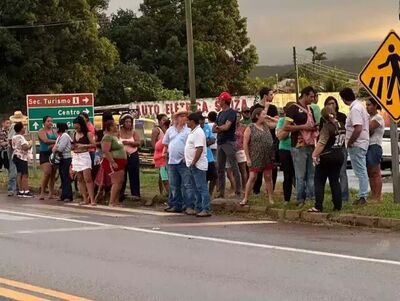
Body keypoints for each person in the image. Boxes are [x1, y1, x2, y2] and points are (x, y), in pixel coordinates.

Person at [283, 86, 319, 207]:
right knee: (300, 175)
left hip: (310, 145)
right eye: (311, 96)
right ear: (304, 95)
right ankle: (300, 199)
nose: (313, 99)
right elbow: (286, 127)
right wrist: (303, 127)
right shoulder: (293, 109)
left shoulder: (310, 109)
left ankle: (311, 197)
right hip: (298, 146)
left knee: (311, 174)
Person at [308, 106, 346, 213]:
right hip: (339, 154)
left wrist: (314, 155)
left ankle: (318, 206)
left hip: (327, 155)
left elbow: (321, 143)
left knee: (319, 181)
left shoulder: (327, 127)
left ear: (323, 117)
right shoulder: (341, 125)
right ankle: (338, 206)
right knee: (335, 181)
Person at [340, 87, 370, 205]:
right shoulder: (359, 106)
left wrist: (350, 142)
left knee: (360, 171)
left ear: (343, 99)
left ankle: (362, 195)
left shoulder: (355, 109)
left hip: (357, 144)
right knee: (360, 170)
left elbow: (358, 127)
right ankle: (362, 194)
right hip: (361, 142)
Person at [163, 109, 195, 213]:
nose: (183, 118)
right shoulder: (170, 130)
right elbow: (166, 143)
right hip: (172, 160)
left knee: (187, 185)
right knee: (174, 185)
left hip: (183, 161)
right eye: (180, 116)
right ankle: (176, 204)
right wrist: (165, 153)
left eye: (185, 116)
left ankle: (189, 205)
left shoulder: (188, 130)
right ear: (176, 118)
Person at [241, 108, 275, 205]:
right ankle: (246, 198)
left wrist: (269, 117)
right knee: (252, 177)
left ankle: (270, 198)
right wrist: (247, 158)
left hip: (267, 156)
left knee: (268, 177)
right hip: (255, 156)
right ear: (257, 116)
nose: (265, 116)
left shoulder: (266, 125)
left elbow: (279, 122)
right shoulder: (250, 127)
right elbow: (245, 144)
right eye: (263, 114)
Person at [250, 87, 279, 194]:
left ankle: (271, 190)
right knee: (258, 167)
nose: (273, 96)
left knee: (272, 166)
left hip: (271, 140)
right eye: (271, 94)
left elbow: (276, 123)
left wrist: (267, 121)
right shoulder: (255, 108)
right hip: (257, 141)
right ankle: (256, 190)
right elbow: (257, 123)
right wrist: (265, 110)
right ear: (265, 96)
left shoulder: (273, 108)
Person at [213, 92, 241, 198]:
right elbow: (214, 128)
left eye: (220, 100)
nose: (218, 102)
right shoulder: (220, 114)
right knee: (220, 168)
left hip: (228, 141)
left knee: (234, 166)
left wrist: (219, 128)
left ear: (224, 101)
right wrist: (220, 128)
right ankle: (221, 192)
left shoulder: (231, 113)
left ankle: (238, 191)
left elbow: (227, 127)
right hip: (220, 142)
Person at [322, 96, 349, 202]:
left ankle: (344, 196)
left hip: (340, 148)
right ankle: (336, 197)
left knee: (342, 173)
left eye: (333, 103)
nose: (331, 106)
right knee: (332, 175)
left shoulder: (342, 116)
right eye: (328, 104)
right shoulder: (323, 119)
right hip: (329, 149)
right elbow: (322, 134)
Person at [185, 113, 211, 217]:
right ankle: (199, 207)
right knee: (195, 188)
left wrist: (194, 161)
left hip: (198, 165)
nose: (186, 122)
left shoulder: (198, 132)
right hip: (192, 164)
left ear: (192, 121)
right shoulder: (192, 132)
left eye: (188, 120)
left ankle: (206, 208)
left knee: (201, 187)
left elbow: (199, 148)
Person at [101, 120, 128, 207]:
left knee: (120, 181)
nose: (116, 127)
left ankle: (116, 201)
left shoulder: (115, 137)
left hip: (120, 161)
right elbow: (106, 150)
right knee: (116, 182)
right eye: (115, 126)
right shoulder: (107, 137)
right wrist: (112, 161)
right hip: (114, 161)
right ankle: (111, 202)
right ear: (110, 127)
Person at [72, 116, 96, 205]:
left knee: (88, 178)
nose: (76, 129)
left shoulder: (88, 134)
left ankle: (92, 199)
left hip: (84, 155)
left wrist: (84, 146)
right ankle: (85, 198)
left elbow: (93, 145)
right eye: (75, 127)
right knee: (80, 178)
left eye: (78, 127)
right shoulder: (74, 134)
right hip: (76, 156)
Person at [276, 102, 296, 204]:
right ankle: (287, 199)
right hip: (285, 150)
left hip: (297, 149)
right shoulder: (282, 121)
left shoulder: (299, 120)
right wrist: (289, 127)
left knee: (298, 175)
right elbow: (279, 136)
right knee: (287, 175)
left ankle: (301, 197)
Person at [119, 113, 141, 202]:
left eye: (130, 122)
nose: (128, 124)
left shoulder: (134, 132)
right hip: (122, 156)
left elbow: (138, 142)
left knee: (134, 174)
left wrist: (129, 143)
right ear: (123, 123)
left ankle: (135, 194)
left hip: (133, 154)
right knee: (122, 175)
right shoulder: (119, 132)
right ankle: (120, 193)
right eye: (126, 122)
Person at [366, 98, 384, 201]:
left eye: (369, 105)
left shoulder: (378, 118)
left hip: (375, 146)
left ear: (375, 105)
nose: (367, 107)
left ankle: (378, 196)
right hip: (367, 146)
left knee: (375, 172)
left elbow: (368, 129)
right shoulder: (368, 117)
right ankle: (373, 195)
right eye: (366, 105)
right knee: (370, 173)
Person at [226, 110, 248, 194]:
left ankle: (244, 187)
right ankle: (234, 186)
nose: (237, 118)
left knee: (242, 169)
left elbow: (246, 138)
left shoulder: (244, 127)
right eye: (235, 117)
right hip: (230, 150)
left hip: (240, 149)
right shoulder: (228, 126)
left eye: (238, 117)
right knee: (229, 171)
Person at [38, 116, 58, 200]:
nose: (50, 123)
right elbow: (45, 140)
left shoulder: (54, 131)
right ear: (44, 123)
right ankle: (42, 192)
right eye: (48, 121)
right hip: (44, 153)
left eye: (51, 121)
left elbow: (59, 139)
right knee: (47, 172)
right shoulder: (41, 131)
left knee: (53, 173)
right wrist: (56, 141)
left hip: (53, 153)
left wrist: (55, 143)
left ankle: (51, 193)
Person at [11, 122, 33, 197]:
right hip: (22, 157)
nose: (24, 129)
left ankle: (20, 191)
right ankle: (26, 191)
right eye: (23, 127)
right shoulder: (21, 137)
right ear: (20, 129)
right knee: (25, 174)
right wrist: (29, 145)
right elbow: (24, 147)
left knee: (19, 173)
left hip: (15, 156)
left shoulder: (14, 137)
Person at [52, 123, 73, 202]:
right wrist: (55, 147)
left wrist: (56, 148)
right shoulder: (59, 137)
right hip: (61, 159)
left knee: (66, 177)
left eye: (56, 128)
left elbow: (60, 148)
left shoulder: (65, 136)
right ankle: (63, 195)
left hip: (66, 158)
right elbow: (55, 147)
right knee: (62, 177)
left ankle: (68, 195)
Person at [199, 113, 217, 197]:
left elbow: (213, 139)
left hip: (209, 157)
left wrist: (205, 142)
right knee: (203, 178)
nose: (203, 121)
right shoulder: (195, 129)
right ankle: (204, 195)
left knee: (214, 176)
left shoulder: (206, 127)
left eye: (203, 119)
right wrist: (205, 141)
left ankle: (209, 193)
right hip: (200, 157)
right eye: (201, 119)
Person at [152, 114, 169, 195]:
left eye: (166, 120)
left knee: (165, 175)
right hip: (160, 154)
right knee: (162, 175)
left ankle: (166, 192)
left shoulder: (168, 129)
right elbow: (153, 143)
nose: (165, 121)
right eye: (163, 120)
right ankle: (161, 192)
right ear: (159, 121)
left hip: (167, 154)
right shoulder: (157, 130)